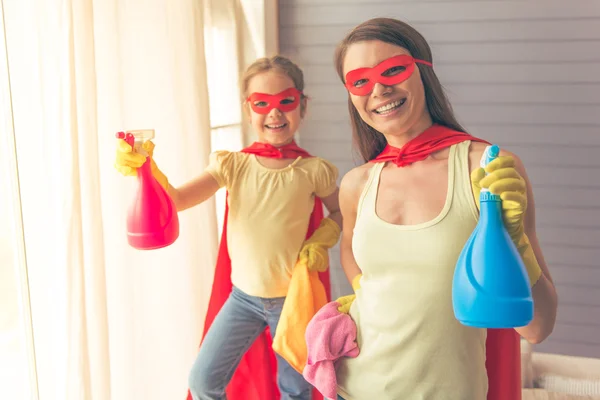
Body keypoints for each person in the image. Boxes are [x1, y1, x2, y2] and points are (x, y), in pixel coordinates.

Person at [331, 17, 558, 400]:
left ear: (424, 73)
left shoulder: (484, 168)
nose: (379, 89)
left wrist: (515, 240)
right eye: (360, 81)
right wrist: (364, 295)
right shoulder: (357, 183)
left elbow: (538, 327)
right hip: (353, 387)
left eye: (392, 70)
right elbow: (351, 251)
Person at [114, 55, 343, 400]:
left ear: (303, 106)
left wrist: (323, 238)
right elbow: (175, 199)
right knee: (203, 380)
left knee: (296, 389)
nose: (275, 113)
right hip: (243, 300)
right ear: (248, 109)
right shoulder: (233, 165)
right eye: (262, 103)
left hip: (292, 301)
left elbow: (341, 209)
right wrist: (146, 168)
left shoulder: (313, 170)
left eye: (286, 101)